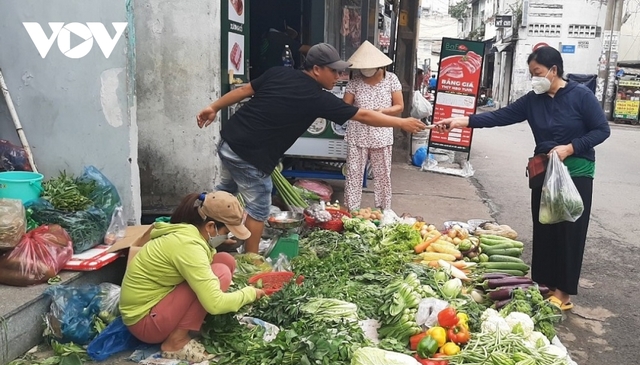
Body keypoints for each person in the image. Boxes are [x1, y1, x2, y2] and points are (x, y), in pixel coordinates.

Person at [196, 43, 427, 254]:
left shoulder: (280, 72)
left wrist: (213, 107)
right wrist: (401, 122)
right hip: (250, 155)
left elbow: (244, 90)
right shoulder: (317, 97)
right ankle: (251, 260)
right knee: (258, 208)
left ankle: (201, 236)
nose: (338, 76)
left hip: (229, 140)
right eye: (334, 71)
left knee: (223, 195)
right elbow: (363, 115)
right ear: (317, 69)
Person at [435, 46, 610, 311]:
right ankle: (545, 285)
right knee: (545, 229)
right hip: (544, 170)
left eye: (537, 72)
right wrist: (460, 121)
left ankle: (563, 294)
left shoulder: (581, 96)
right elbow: (499, 116)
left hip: (575, 172)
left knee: (569, 232)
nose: (534, 78)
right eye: (531, 74)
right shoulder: (533, 100)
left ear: (553, 70)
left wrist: (571, 147)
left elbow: (602, 130)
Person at [120, 191, 266, 362]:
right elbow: (215, 304)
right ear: (211, 227)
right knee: (220, 274)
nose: (227, 236)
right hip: (145, 323)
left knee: (225, 260)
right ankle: (175, 342)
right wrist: (250, 294)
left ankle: (186, 326)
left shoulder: (190, 231)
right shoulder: (189, 246)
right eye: (226, 232)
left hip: (158, 305)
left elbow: (207, 257)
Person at [342, 41, 403, 211]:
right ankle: (351, 211)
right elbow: (345, 106)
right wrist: (360, 112)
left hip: (381, 134)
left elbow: (399, 106)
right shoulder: (355, 81)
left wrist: (382, 112)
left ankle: (385, 211)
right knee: (353, 174)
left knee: (383, 175)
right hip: (357, 133)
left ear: (379, 66)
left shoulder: (391, 79)